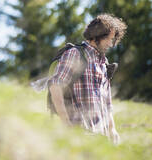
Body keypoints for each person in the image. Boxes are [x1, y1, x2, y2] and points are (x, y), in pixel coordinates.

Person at [48, 13, 127, 144]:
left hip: (102, 138)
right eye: (108, 38)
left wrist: (112, 129)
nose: (111, 44)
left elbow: (107, 102)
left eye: (113, 39)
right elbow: (55, 86)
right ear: (96, 35)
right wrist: (66, 123)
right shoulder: (75, 54)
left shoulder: (104, 63)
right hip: (80, 135)